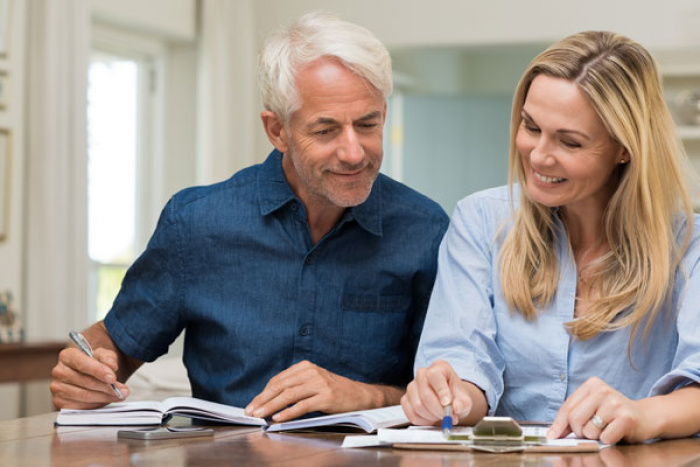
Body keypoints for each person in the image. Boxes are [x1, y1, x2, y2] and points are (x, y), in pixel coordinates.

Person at [50, 12, 449, 422]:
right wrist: (86, 375)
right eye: (325, 130)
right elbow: (116, 347)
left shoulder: (424, 230)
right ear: (277, 131)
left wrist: (358, 396)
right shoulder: (196, 224)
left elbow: (448, 395)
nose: (353, 152)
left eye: (368, 124)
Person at [401, 30, 700, 445]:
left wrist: (642, 414)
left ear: (625, 148)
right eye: (530, 126)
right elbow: (465, 366)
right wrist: (448, 398)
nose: (539, 155)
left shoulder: (690, 248)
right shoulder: (481, 221)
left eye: (569, 141)